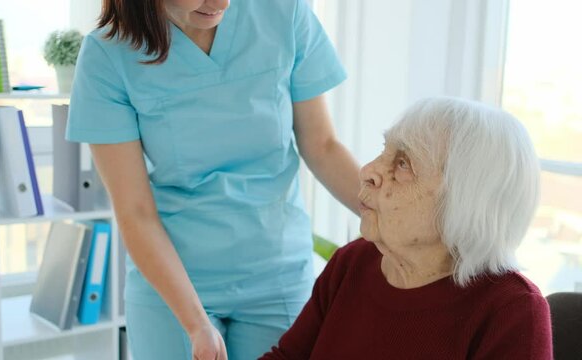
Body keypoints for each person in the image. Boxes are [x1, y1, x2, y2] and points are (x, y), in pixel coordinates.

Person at [65, 0, 360, 359]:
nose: (221, 3)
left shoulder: (284, 12)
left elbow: (323, 146)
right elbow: (135, 211)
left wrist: (403, 222)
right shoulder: (108, 55)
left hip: (276, 273)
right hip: (174, 285)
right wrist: (195, 324)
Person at [260, 97, 553, 359]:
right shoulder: (353, 262)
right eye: (384, 152)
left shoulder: (512, 312)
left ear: (465, 201)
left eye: (403, 163)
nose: (367, 172)